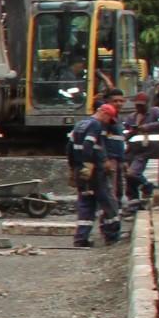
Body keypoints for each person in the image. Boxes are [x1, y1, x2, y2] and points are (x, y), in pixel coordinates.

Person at [68, 100, 123, 248]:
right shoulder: (96, 124)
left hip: (80, 169)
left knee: (86, 202)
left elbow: (70, 147)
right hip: (94, 171)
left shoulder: (80, 124)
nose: (108, 123)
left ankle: (81, 238)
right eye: (109, 119)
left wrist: (72, 168)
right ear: (104, 113)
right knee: (108, 201)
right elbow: (89, 144)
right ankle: (112, 235)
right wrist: (92, 164)